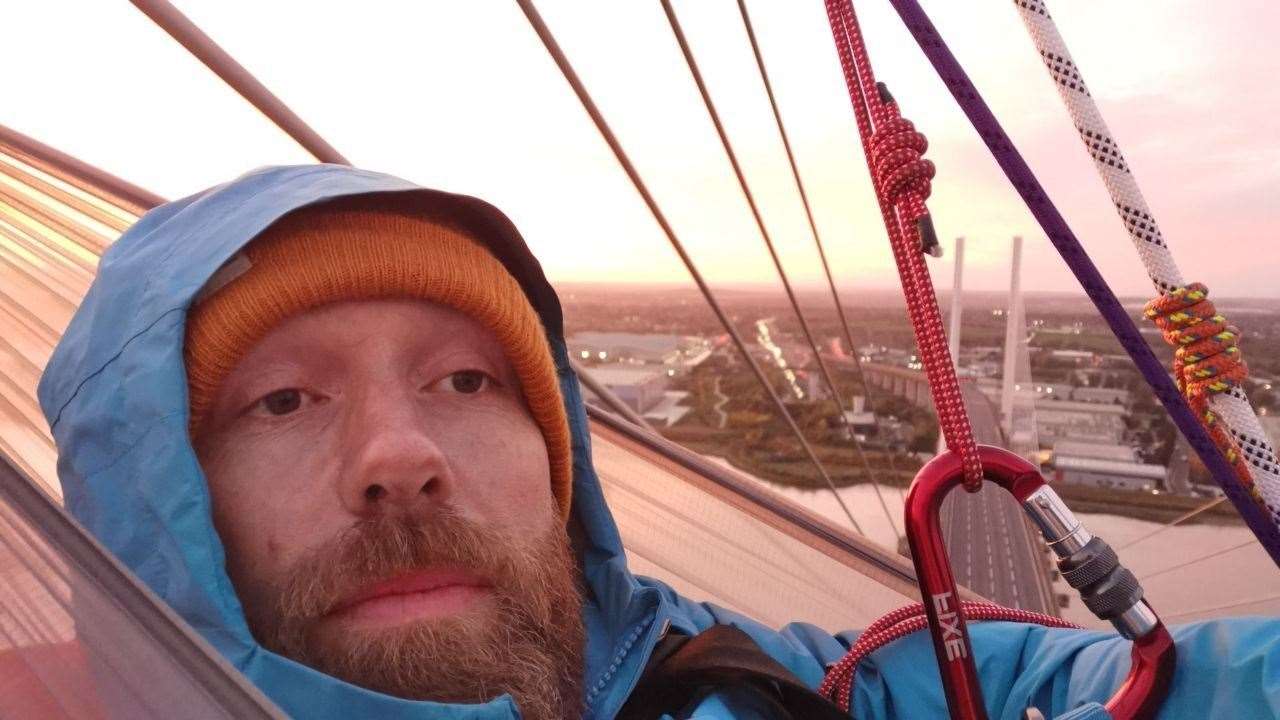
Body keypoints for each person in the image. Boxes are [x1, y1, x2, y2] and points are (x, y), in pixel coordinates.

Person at [38, 164, 1279, 719]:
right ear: (155, 496)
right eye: (282, 401)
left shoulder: (767, 690)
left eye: (466, 379)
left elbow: (1130, 692)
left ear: (557, 457)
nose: (397, 455)